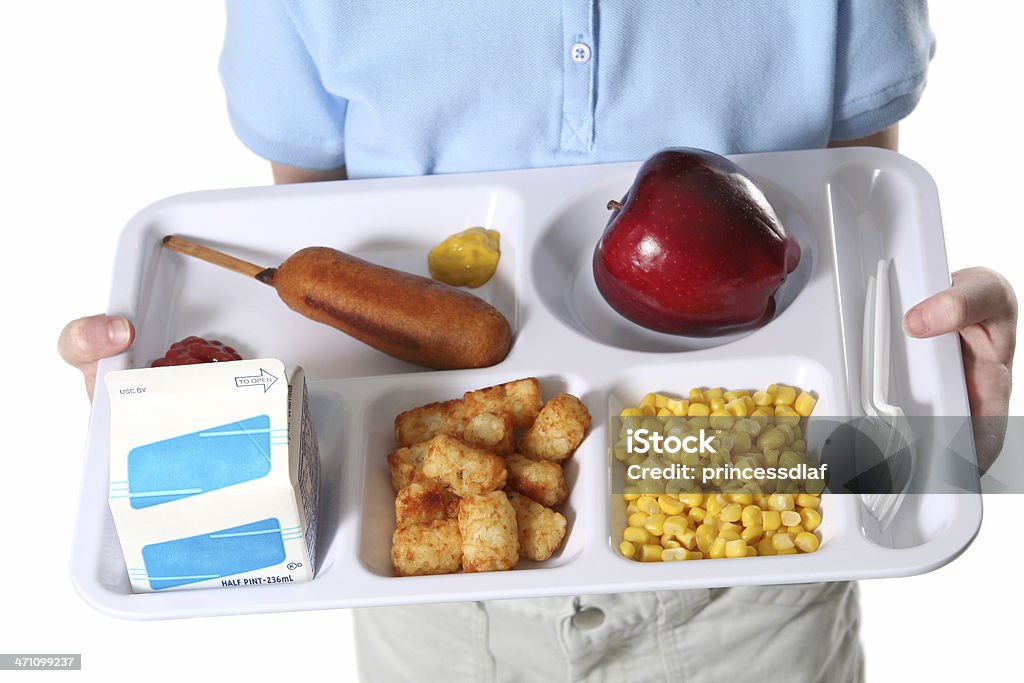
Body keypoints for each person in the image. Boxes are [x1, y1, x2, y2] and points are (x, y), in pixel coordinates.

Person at [58, 2, 1016, 681]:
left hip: (757, 597)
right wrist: (198, 411)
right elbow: (318, 271)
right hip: (431, 625)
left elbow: (860, 235)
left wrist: (927, 402)